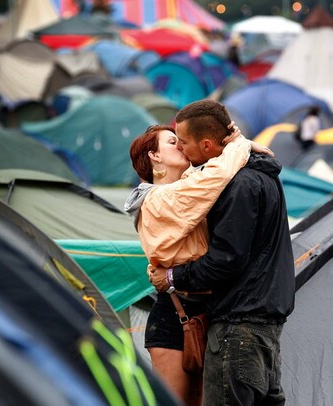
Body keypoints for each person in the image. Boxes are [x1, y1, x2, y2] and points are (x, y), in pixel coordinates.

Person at [150, 100, 295, 405]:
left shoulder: (239, 186)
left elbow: (224, 260)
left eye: (185, 143)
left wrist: (173, 276)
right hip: (265, 325)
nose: (183, 151)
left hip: (238, 325)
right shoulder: (264, 175)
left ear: (205, 144)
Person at [124, 122, 272, 405]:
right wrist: (240, 145)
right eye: (171, 142)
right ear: (154, 157)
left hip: (207, 312)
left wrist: (229, 139)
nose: (180, 145)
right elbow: (215, 177)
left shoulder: (186, 184)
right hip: (174, 315)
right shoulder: (159, 199)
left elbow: (210, 165)